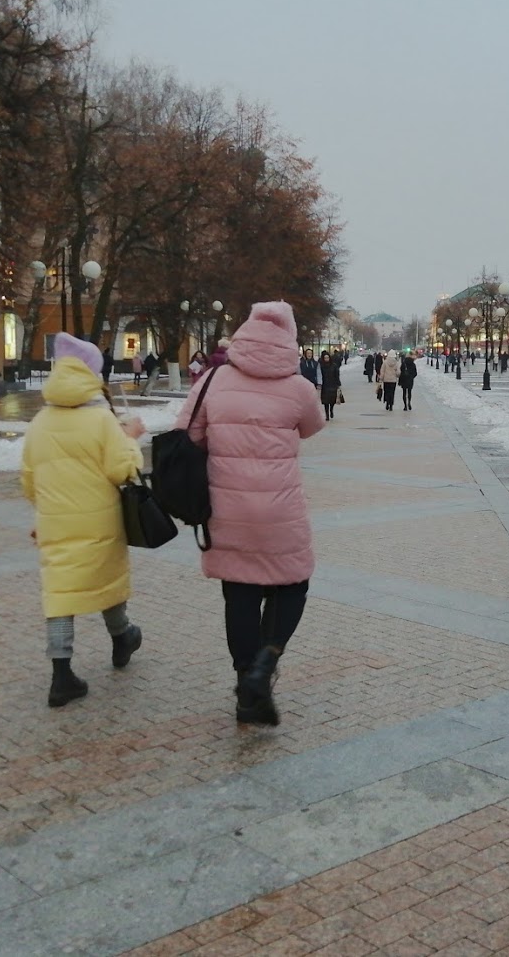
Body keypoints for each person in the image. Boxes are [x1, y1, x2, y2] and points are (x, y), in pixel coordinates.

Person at [172, 301, 325, 726]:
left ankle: (245, 688)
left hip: (227, 507)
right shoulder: (299, 388)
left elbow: (188, 432)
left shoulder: (216, 379)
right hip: (281, 510)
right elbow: (312, 428)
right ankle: (265, 662)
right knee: (291, 584)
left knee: (239, 592)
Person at [21, 333, 146, 708]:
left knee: (60, 593)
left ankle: (62, 675)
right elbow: (123, 470)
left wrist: (46, 509)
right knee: (103, 577)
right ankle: (122, 635)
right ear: (93, 373)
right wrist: (131, 438)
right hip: (101, 520)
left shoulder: (40, 422)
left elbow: (28, 479)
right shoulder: (101, 420)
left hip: (56, 522)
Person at [319, 350, 341, 420]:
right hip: (325, 385)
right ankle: (327, 415)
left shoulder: (334, 366)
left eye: (327, 358)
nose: (326, 359)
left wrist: (338, 384)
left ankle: (331, 410)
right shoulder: (321, 366)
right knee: (326, 401)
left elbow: (337, 375)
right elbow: (319, 375)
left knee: (332, 400)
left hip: (333, 385)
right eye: (325, 358)